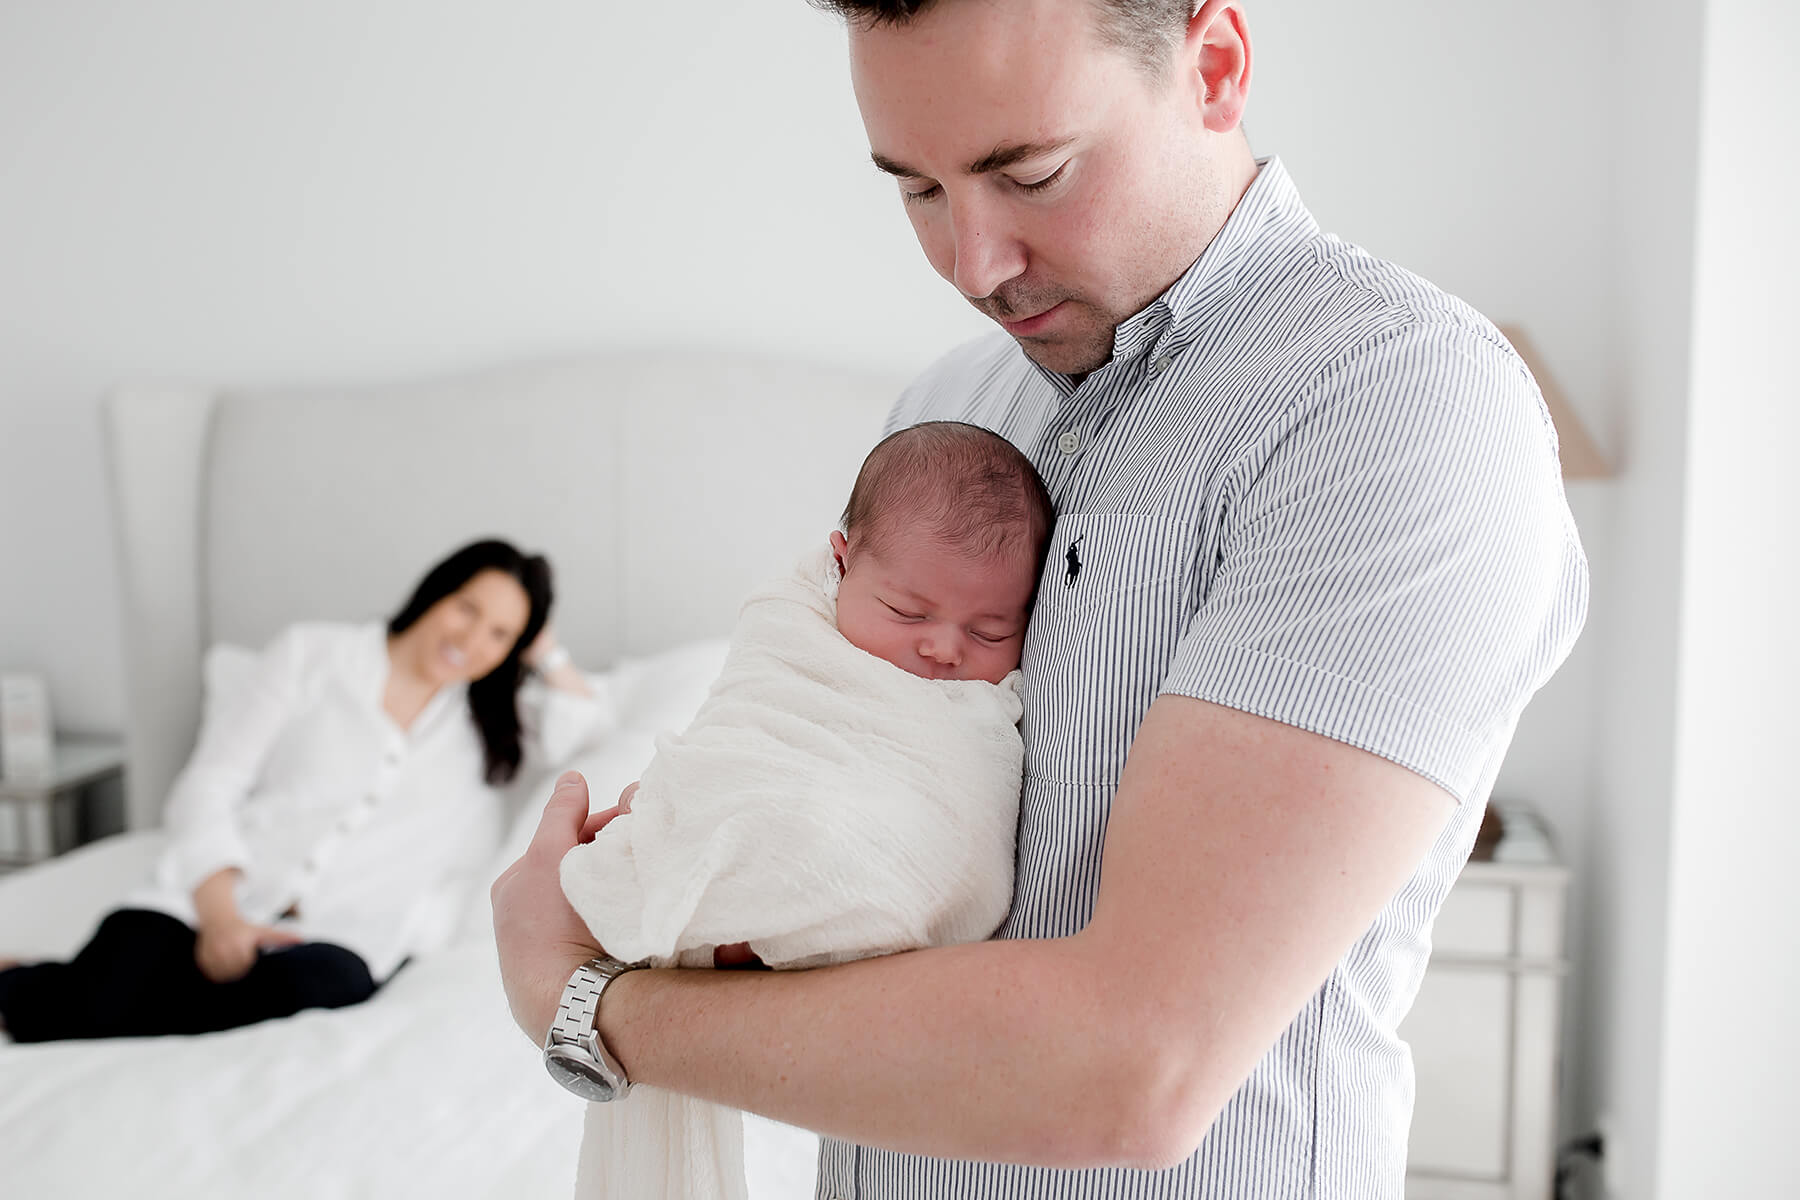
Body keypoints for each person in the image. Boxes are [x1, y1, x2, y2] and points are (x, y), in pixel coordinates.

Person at [492, 2, 1591, 1198]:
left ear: (1213, 65)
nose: (974, 265)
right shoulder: (950, 410)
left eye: (1031, 175)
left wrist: (591, 1006)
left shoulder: (1397, 407)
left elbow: (1137, 1066)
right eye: (917, 191)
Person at [560, 420, 1052, 1200]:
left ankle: (767, 931)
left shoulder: (969, 699)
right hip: (782, 784)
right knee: (732, 822)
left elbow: (964, 800)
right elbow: (750, 727)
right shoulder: (789, 624)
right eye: (907, 610)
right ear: (840, 561)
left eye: (992, 628)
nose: (945, 650)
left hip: (889, 854)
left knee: (847, 851)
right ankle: (730, 924)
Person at [0, 539, 601, 1043]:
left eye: (499, 635)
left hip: (336, 936)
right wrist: (220, 921)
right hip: (210, 900)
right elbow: (208, 785)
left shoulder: (492, 722)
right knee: (109, 988)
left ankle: (63, 986)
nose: (472, 642)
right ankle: (53, 985)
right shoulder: (312, 654)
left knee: (313, 992)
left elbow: (589, 719)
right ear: (435, 592)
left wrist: (542, 645)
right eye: (467, 609)